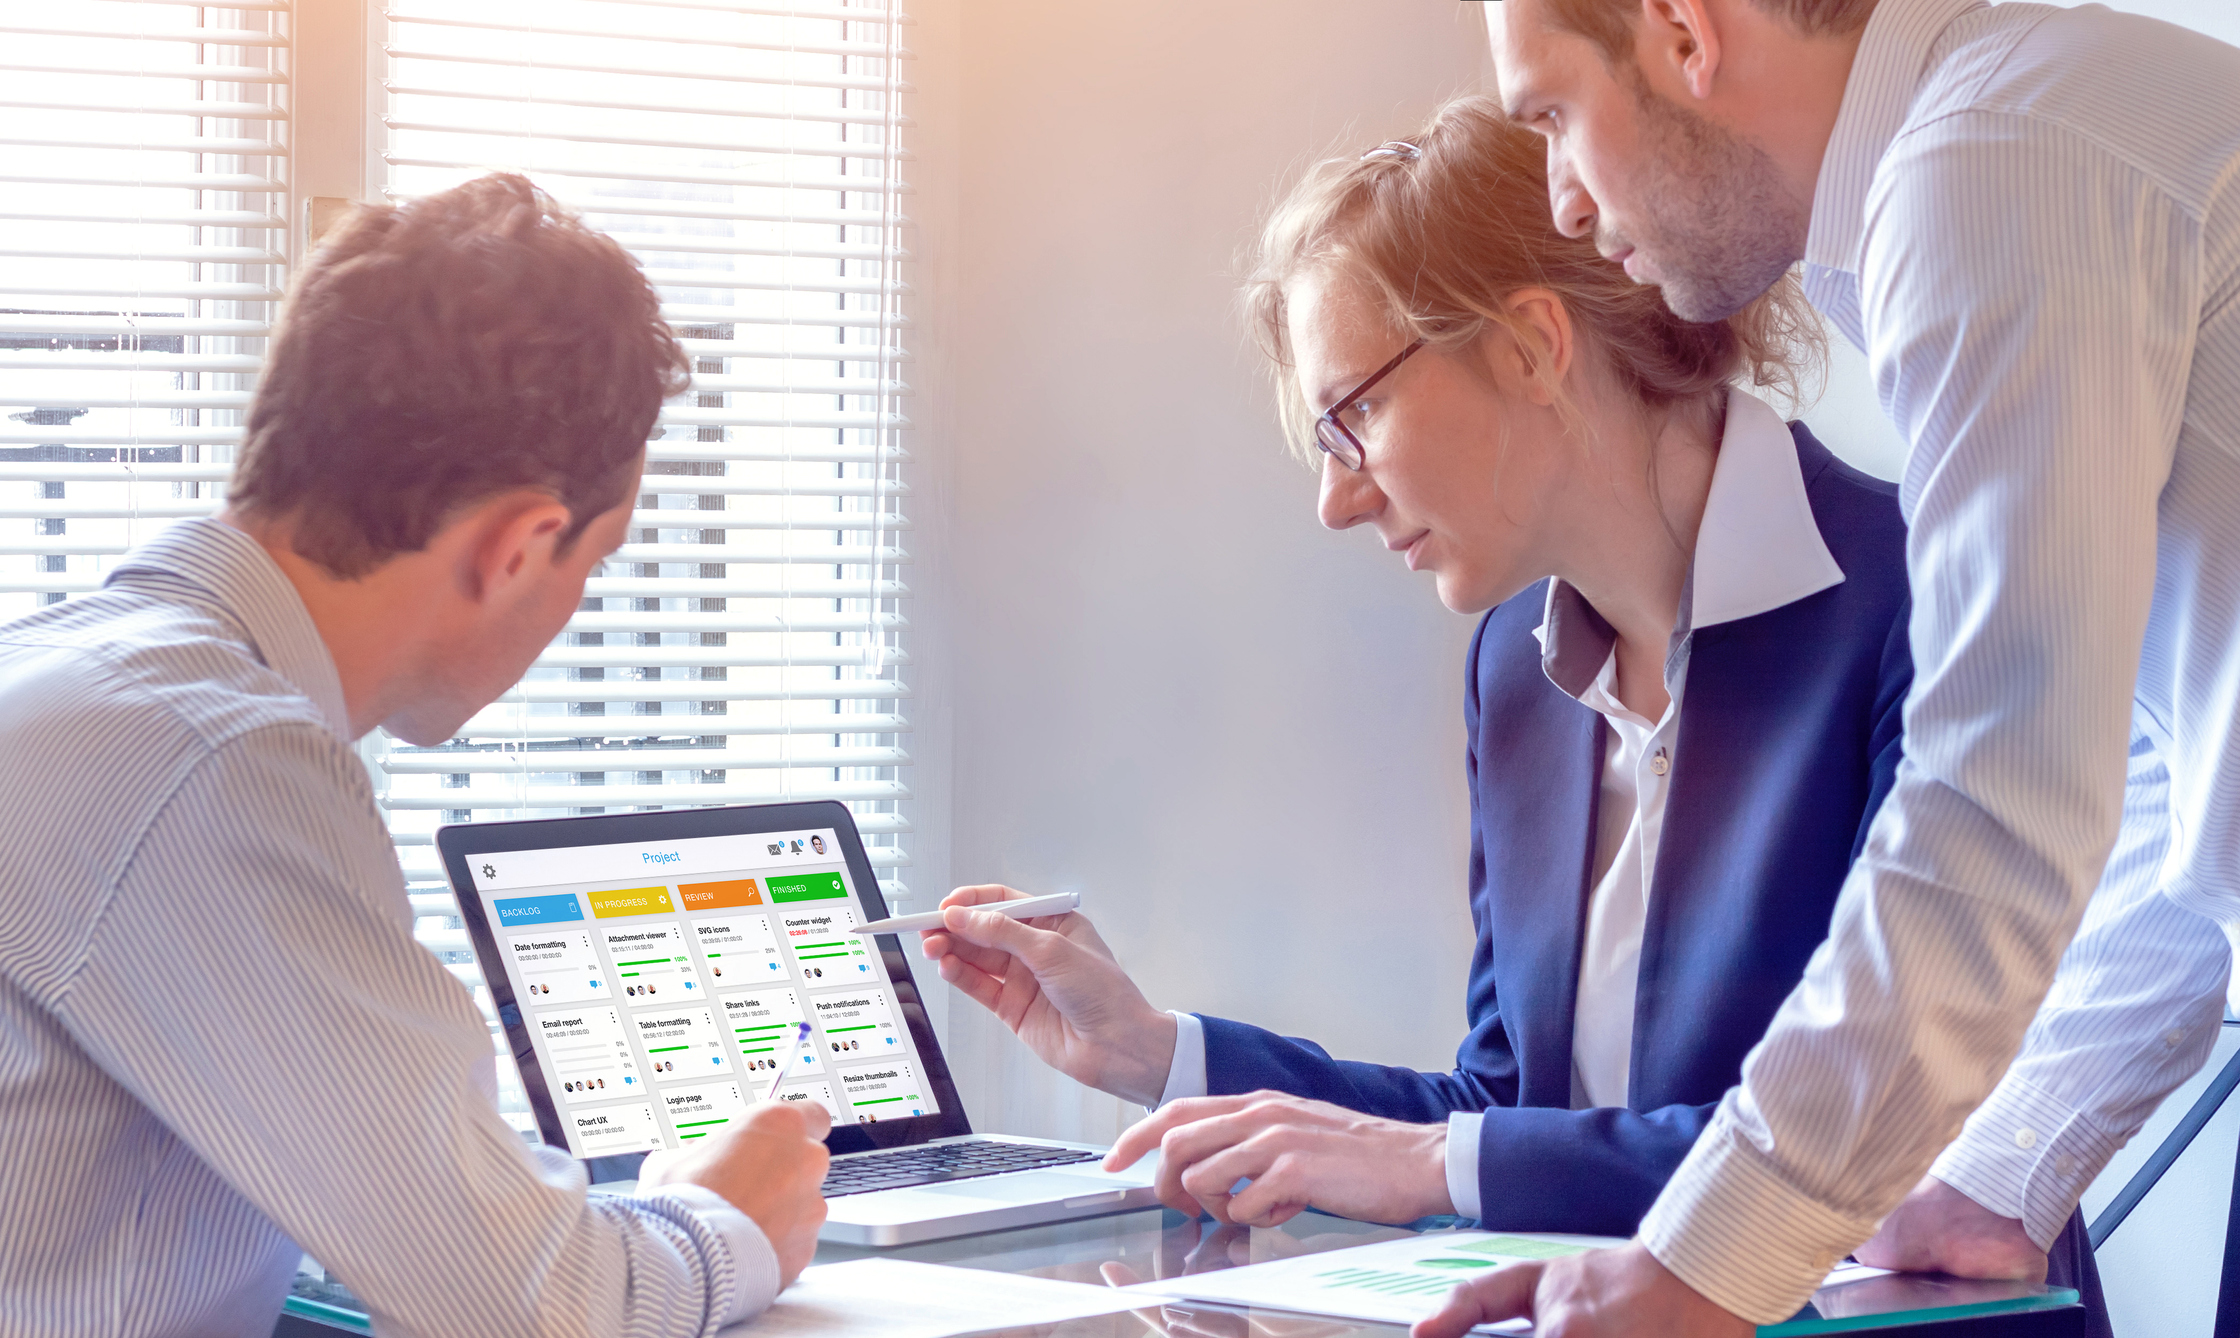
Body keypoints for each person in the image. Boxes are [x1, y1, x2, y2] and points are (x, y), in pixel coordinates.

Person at [918, 96, 2100, 1326]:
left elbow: (1886, 1152)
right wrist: (1158, 1053)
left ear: (1530, 346)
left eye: (1352, 417)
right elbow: (1505, 1113)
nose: (1334, 499)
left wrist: (1439, 1164)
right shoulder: (1514, 670)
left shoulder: (1927, 601)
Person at [1417, 1, 2240, 1334]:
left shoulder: (1990, 161)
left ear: (1683, 31)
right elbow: (2178, 782)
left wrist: (1705, 1262)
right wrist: (1994, 1171)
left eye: (1558, 115)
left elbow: (2000, 794)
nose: (1562, 201)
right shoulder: (2005, 141)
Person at [0, 175, 831, 1336]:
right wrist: (723, 1223)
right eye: (589, 567)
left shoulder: (70, 678)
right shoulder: (211, 762)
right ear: (519, 544)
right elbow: (539, 1311)